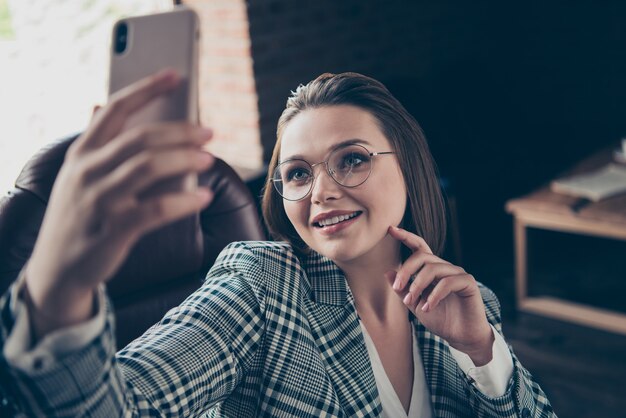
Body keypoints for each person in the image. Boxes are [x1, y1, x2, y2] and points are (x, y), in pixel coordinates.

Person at [0, 70, 556, 417]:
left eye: (352, 159)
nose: (322, 192)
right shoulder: (261, 285)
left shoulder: (469, 302)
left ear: (407, 166)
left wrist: (484, 354)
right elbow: (123, 406)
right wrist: (60, 286)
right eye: (296, 173)